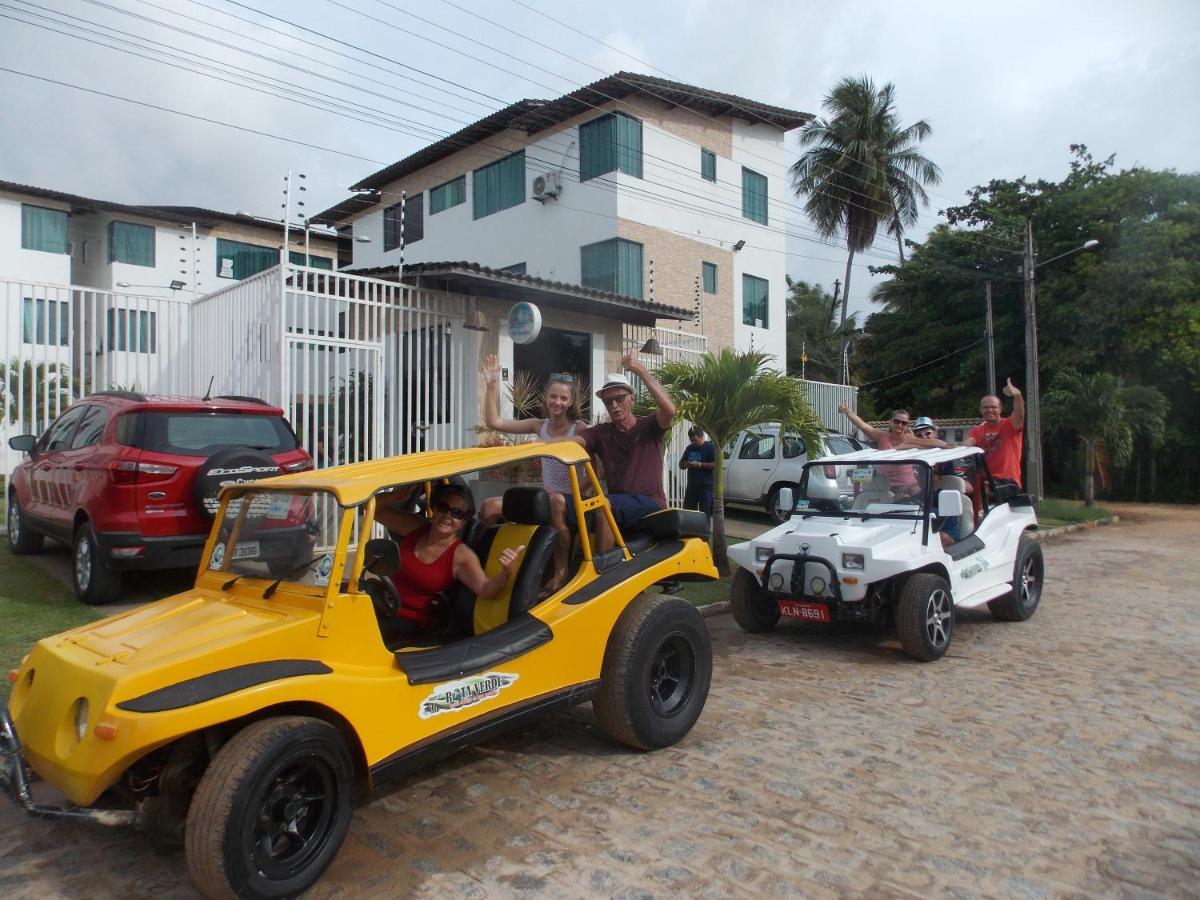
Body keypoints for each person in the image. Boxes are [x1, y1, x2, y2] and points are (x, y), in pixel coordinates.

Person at [480, 356, 586, 589]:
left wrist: (537, 447)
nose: (557, 402)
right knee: (489, 506)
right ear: (546, 398)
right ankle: (482, 562)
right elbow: (494, 422)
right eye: (553, 396)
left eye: (563, 398)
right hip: (547, 496)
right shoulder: (540, 426)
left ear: (571, 402)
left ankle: (561, 571)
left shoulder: (579, 428)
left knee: (557, 500)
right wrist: (491, 386)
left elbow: (592, 467)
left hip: (570, 498)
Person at [375, 483, 524, 642]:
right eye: (443, 507)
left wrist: (506, 572)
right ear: (435, 510)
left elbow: (485, 589)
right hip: (380, 604)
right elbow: (373, 511)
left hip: (409, 624)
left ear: (463, 522)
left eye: (457, 513)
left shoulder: (461, 556)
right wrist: (392, 497)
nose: (448, 516)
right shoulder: (416, 528)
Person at [573, 352, 676, 550]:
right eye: (608, 401)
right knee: (566, 508)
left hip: (650, 504)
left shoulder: (650, 426)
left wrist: (640, 370)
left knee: (603, 505)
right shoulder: (600, 432)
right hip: (618, 505)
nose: (614, 405)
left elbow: (669, 410)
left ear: (632, 399)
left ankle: (601, 576)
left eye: (620, 398)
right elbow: (574, 442)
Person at [838, 404, 941, 499]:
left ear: (907, 425)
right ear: (891, 422)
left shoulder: (911, 439)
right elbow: (863, 426)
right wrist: (847, 412)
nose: (899, 425)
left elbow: (931, 444)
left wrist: (948, 446)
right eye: (897, 421)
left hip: (909, 487)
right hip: (885, 488)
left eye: (903, 423)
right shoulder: (882, 437)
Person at [965, 378, 1025, 490]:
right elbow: (967, 444)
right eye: (986, 407)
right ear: (981, 410)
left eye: (993, 407)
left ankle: (979, 506)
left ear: (1000, 409)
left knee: (982, 490)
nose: (990, 410)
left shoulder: (1010, 425)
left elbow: (1019, 413)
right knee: (958, 486)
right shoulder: (977, 430)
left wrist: (1017, 396)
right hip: (984, 478)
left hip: (1007, 480)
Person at [679, 426, 716, 517]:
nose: (694, 443)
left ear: (702, 437)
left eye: (695, 440)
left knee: (704, 513)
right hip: (692, 485)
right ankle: (690, 530)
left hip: (705, 486)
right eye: (691, 441)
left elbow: (715, 464)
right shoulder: (689, 448)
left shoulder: (710, 448)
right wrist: (686, 464)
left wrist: (700, 465)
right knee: (688, 511)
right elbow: (681, 464)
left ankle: (705, 530)